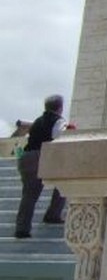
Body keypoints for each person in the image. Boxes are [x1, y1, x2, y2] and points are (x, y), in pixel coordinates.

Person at [14, 94, 68, 238]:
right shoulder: (58, 121)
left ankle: (22, 229)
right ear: (60, 108)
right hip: (41, 156)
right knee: (63, 183)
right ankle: (53, 214)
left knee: (29, 195)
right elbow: (60, 136)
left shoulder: (38, 121)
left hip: (26, 157)